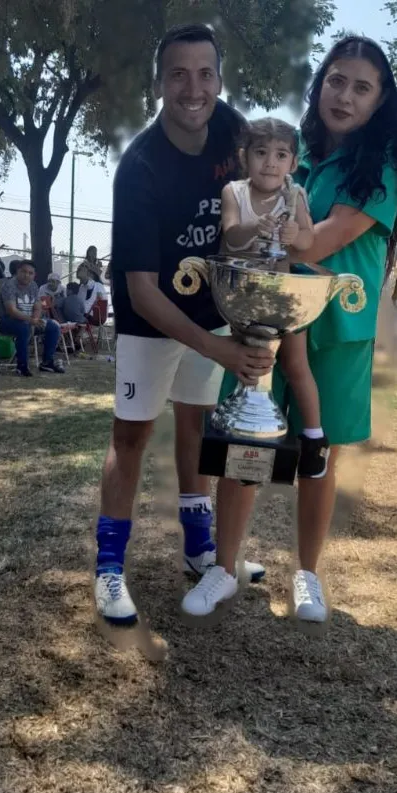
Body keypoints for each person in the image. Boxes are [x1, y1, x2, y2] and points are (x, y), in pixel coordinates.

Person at [185, 35, 397, 621]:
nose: (345, 96)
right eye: (336, 80)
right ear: (320, 83)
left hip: (336, 329)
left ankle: (307, 574)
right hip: (262, 319)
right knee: (242, 438)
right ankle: (224, 569)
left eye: (361, 87)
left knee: (317, 451)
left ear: (380, 101)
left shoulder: (383, 169)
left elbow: (322, 239)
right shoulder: (292, 161)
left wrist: (278, 229)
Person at [94, 23, 273, 627]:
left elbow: (267, 179)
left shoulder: (233, 128)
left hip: (208, 310)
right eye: (178, 74)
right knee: (131, 437)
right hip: (151, 317)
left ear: (220, 81)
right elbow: (143, 292)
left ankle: (200, 551)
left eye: (205, 73)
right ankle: (110, 568)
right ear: (157, 86)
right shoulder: (139, 167)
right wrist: (219, 353)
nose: (193, 88)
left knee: (194, 425)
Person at [220, 117, 330, 479]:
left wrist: (296, 232)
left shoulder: (294, 193)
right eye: (261, 152)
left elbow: (308, 242)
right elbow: (233, 237)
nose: (270, 162)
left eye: (281, 154)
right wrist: (256, 226)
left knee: (297, 363)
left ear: (293, 163)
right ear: (244, 156)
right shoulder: (233, 192)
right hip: (244, 297)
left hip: (282, 297)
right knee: (248, 366)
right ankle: (248, 437)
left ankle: (314, 437)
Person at [0, 260, 65, 376]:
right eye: (24, 272)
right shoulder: (9, 285)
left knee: (53, 326)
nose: (27, 275)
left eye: (30, 273)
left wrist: (35, 320)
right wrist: (31, 321)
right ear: (17, 271)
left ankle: (47, 362)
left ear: (34, 275)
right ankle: (22, 366)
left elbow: (38, 306)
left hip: (28, 321)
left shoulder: (33, 285)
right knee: (24, 328)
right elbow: (11, 311)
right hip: (5, 321)